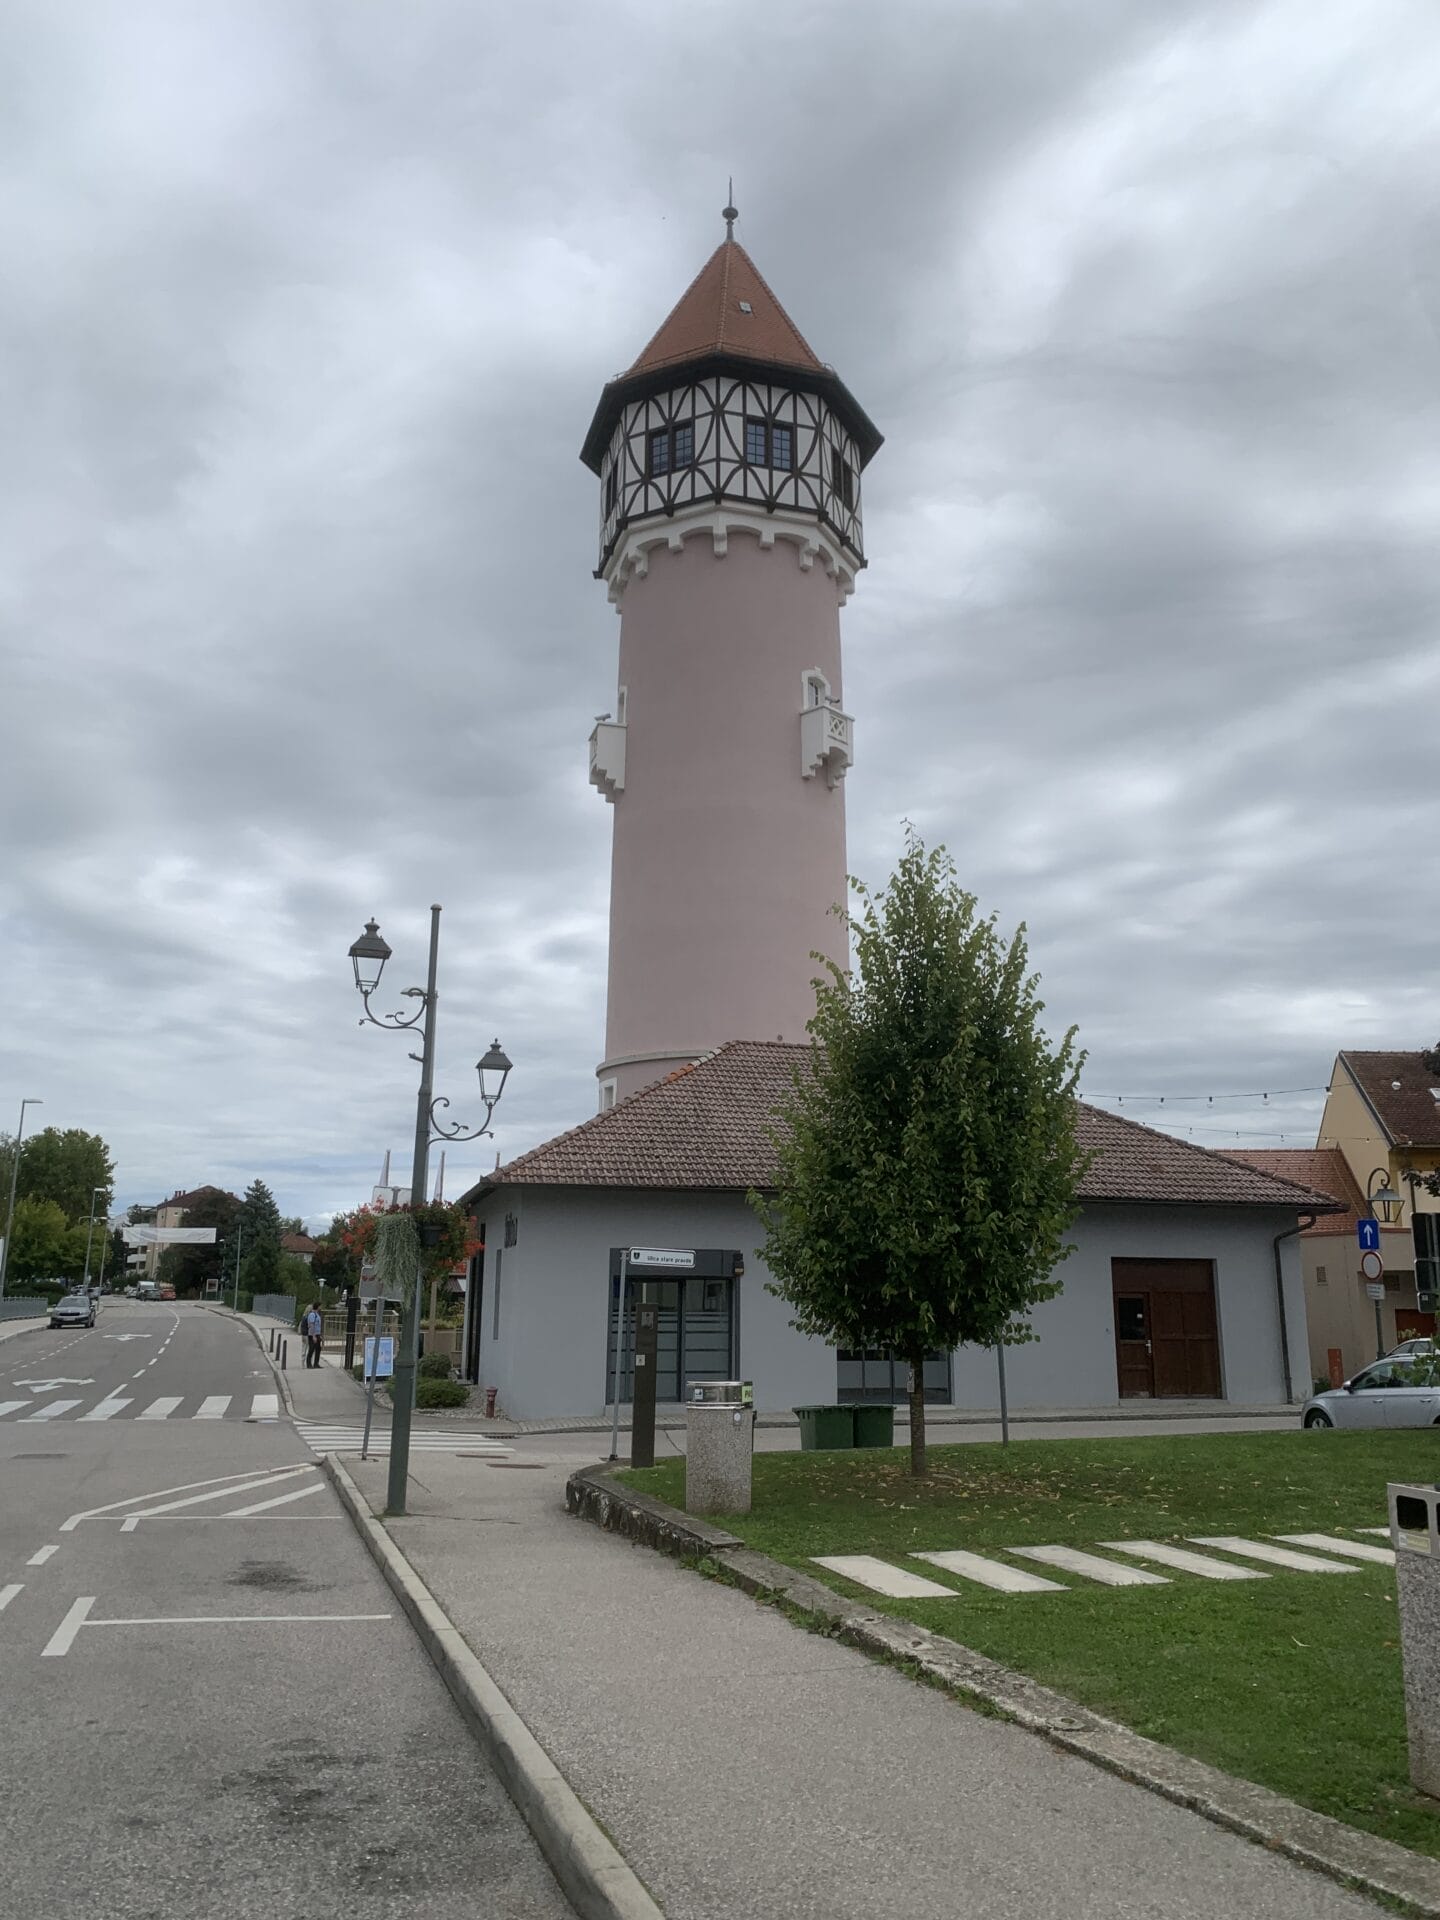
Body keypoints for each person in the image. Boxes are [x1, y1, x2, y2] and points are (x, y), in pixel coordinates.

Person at [302, 1302, 324, 1369]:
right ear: (317, 1307)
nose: (321, 1308)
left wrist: (319, 1335)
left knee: (318, 1349)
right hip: (312, 1334)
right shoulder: (312, 1314)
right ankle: (309, 1364)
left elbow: (318, 1326)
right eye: (320, 1306)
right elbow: (311, 1325)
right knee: (311, 1349)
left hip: (317, 1334)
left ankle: (316, 1363)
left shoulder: (317, 1314)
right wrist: (314, 1336)